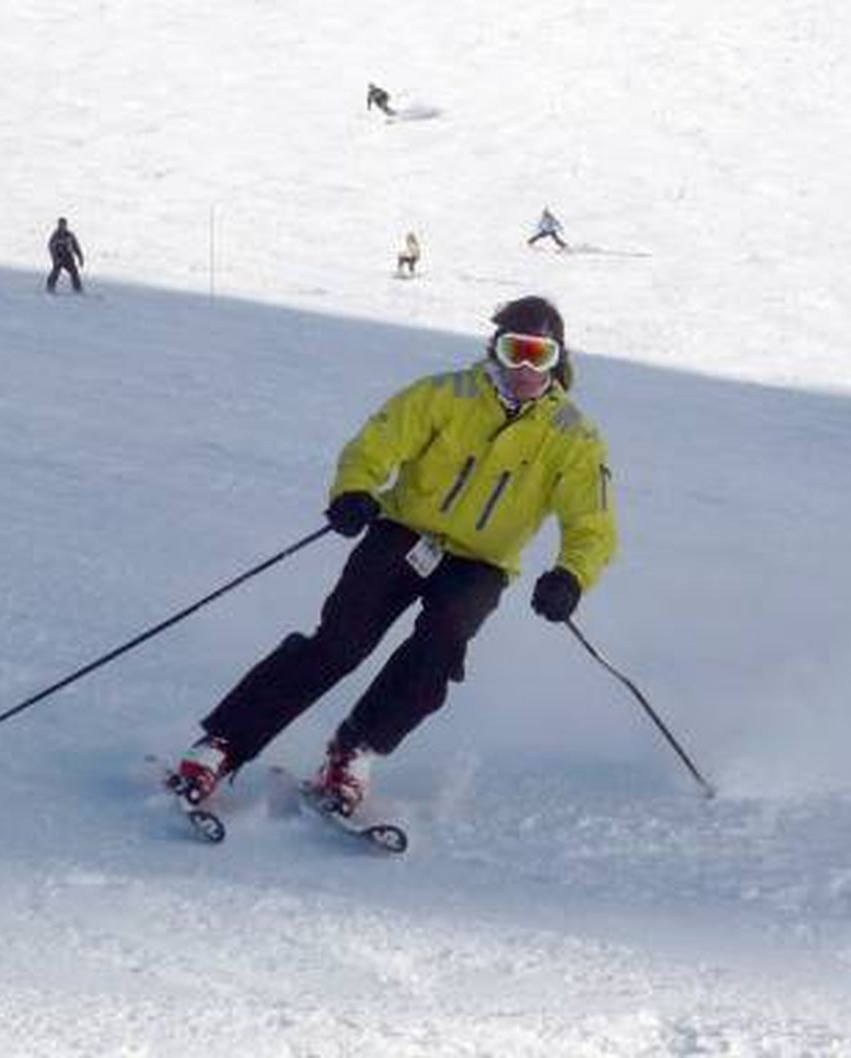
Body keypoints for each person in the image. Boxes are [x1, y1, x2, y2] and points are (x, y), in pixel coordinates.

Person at [174, 295, 617, 816]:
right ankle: (221, 746)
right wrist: (355, 492)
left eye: (537, 355)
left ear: (557, 360)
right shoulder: (444, 395)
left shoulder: (573, 435)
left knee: (438, 651)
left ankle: (353, 749)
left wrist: (571, 575)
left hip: (481, 562)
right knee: (338, 644)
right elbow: (376, 445)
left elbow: (592, 521)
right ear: (493, 348)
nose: (523, 367)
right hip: (405, 532)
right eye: (513, 350)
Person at [46, 217, 85, 293]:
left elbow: (76, 247)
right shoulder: (55, 235)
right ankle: (50, 287)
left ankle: (77, 288)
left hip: (68, 258)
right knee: (55, 271)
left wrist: (80, 258)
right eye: (61, 224)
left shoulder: (70, 235)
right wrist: (55, 258)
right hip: (59, 257)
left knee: (74, 272)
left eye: (64, 224)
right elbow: (51, 247)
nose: (62, 226)